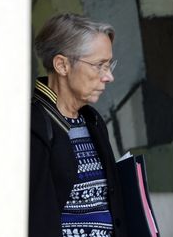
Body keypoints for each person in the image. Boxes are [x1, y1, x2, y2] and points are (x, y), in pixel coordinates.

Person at [30, 13, 127, 237]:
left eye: (109, 64)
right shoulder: (31, 126)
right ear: (62, 65)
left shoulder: (92, 120)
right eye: (99, 65)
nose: (109, 76)